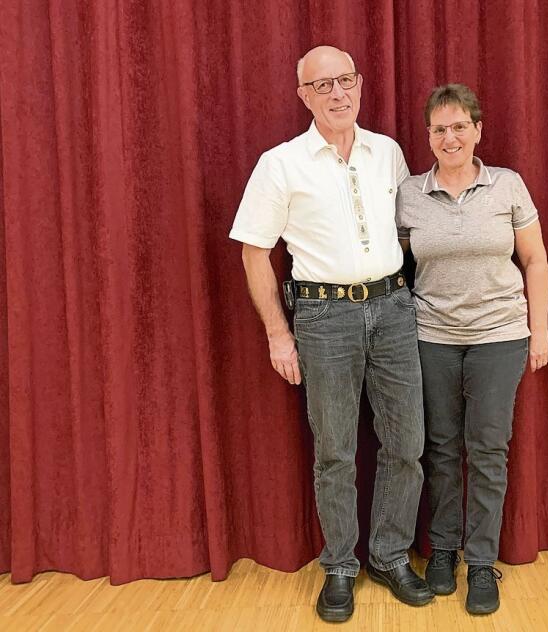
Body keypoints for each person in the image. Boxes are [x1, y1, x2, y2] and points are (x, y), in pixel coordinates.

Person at [230, 45, 433, 623]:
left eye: (345, 81)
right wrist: (277, 333)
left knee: (406, 445)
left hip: (394, 309)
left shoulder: (387, 153)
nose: (338, 94)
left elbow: (406, 231)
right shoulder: (280, 164)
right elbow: (254, 252)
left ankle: (391, 556)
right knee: (334, 452)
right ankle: (341, 566)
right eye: (323, 86)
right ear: (303, 96)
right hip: (324, 319)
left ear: (361, 85)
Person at [395, 84, 548, 615]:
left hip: (500, 336)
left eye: (460, 125)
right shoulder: (410, 194)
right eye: (440, 128)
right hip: (431, 336)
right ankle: (443, 550)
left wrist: (541, 330)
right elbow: (393, 266)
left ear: (478, 130)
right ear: (429, 137)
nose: (450, 136)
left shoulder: (507, 185)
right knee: (439, 449)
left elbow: (536, 262)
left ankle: (482, 561)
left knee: (487, 450)